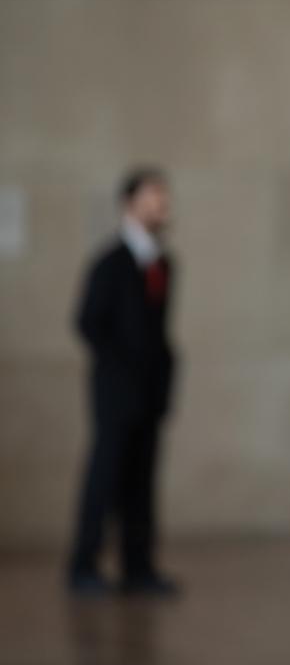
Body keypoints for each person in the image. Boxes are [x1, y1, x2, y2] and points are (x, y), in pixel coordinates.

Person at [67, 167, 179, 597]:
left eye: (163, 198)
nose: (161, 206)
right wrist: (120, 369)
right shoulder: (110, 263)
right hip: (116, 394)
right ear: (129, 203)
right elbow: (87, 322)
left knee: (142, 481)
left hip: (150, 394)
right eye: (152, 197)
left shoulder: (164, 263)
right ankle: (84, 565)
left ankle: (139, 567)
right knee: (105, 476)